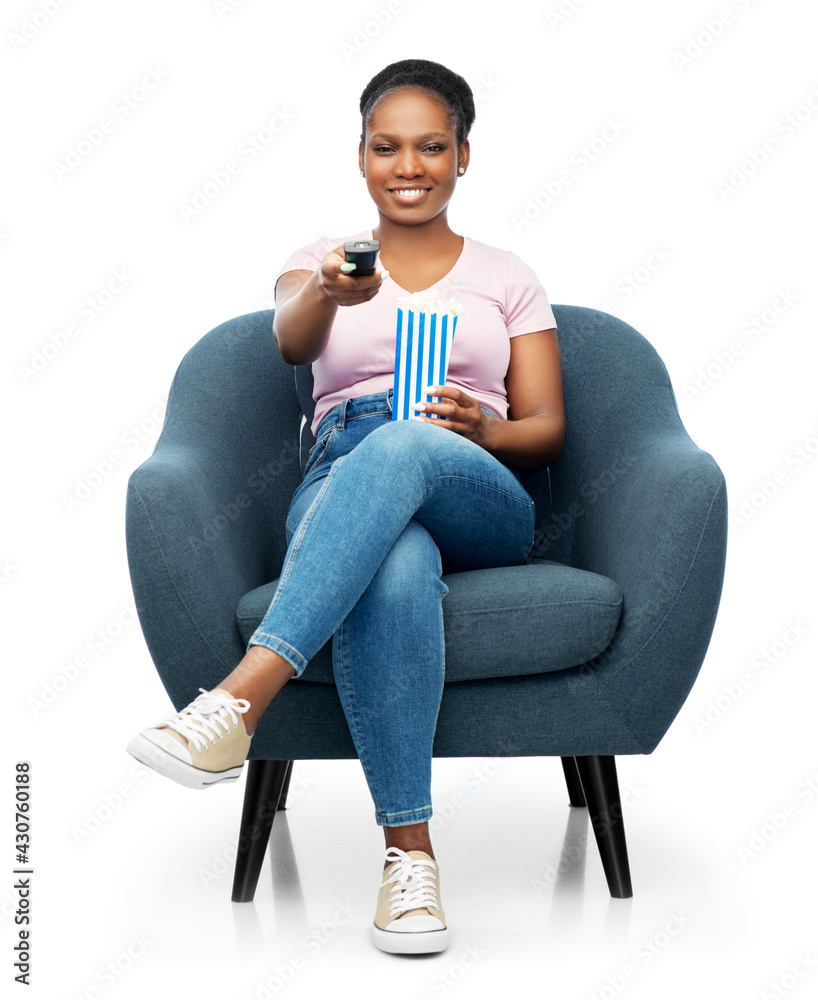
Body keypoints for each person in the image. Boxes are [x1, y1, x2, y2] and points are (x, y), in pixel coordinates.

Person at [127, 57, 565, 956]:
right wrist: (330, 289)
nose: (409, 166)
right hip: (341, 472)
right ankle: (411, 858)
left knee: (404, 442)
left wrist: (483, 429)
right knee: (394, 563)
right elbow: (290, 340)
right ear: (361, 156)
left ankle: (240, 701)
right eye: (387, 146)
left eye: (431, 147)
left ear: (464, 156)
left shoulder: (509, 275)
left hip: (476, 484)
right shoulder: (318, 263)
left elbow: (547, 427)